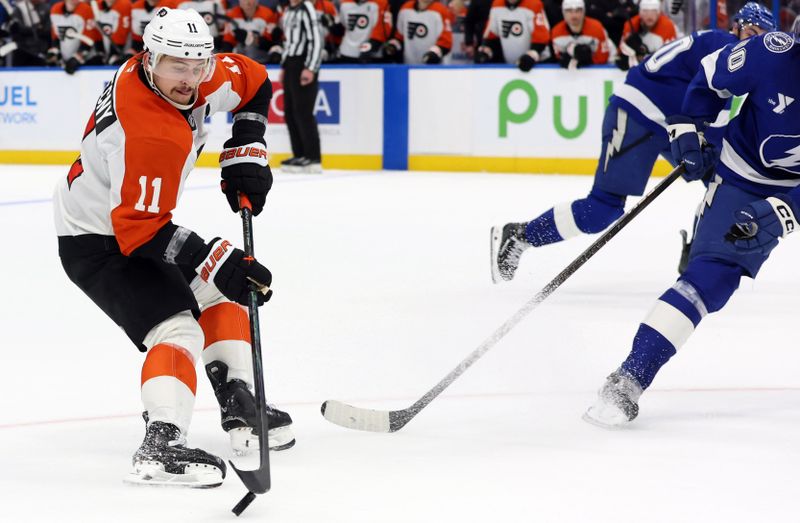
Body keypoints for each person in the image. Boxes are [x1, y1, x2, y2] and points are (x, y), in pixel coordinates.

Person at [54, 7, 294, 487]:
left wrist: (247, 142)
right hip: (97, 241)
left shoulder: (192, 75)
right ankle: (160, 444)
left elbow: (255, 80)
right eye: (175, 66)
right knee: (178, 330)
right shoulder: (148, 131)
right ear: (149, 59)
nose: (188, 79)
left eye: (197, 65)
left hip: (132, 222)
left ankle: (240, 405)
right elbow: (139, 231)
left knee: (221, 297)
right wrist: (215, 257)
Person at [584, 23, 800, 428]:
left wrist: (789, 211)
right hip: (741, 175)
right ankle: (630, 376)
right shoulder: (771, 53)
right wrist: (687, 124)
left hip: (793, 188)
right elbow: (711, 75)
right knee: (712, 277)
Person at [490, 2, 775, 284]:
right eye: (751, 33)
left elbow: (716, 111)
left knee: (722, 182)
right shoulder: (721, 45)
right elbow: (709, 103)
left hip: (673, 123)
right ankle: (520, 235)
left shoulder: (730, 53)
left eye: (761, 38)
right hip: (639, 112)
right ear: (735, 28)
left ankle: (698, 256)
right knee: (603, 209)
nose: (754, 42)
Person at [278, 0, 324, 173]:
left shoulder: (307, 8)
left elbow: (317, 39)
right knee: (290, 111)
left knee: (303, 111)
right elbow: (288, 41)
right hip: (291, 64)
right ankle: (299, 154)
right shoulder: (289, 10)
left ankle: (313, 157)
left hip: (303, 63)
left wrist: (311, 68)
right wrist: (284, 66)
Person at [474, 0, 551, 71]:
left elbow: (542, 37)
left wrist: (532, 54)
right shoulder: (496, 4)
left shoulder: (534, 4)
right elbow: (492, 34)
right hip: (510, 65)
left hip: (538, 65)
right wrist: (486, 51)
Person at [383, 0, 454, 64]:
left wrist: (434, 53)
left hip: (434, 68)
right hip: (408, 65)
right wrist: (393, 46)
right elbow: (400, 36)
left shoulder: (441, 11)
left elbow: (446, 42)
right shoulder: (405, 8)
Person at [550, 0, 615, 69]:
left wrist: (584, 59)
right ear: (563, 12)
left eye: (578, 10)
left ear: (584, 12)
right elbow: (560, 58)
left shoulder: (596, 28)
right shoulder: (556, 32)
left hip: (596, 70)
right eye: (569, 11)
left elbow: (603, 58)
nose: (574, 15)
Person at [615, 0, 678, 71]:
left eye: (653, 11)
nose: (649, 15)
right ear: (640, 13)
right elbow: (620, 54)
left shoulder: (667, 26)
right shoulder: (631, 24)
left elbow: (671, 56)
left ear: (658, 13)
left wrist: (644, 54)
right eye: (645, 11)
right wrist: (628, 48)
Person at [49, 0, 103, 74]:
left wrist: (77, 57)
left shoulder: (87, 10)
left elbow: (89, 40)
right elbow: (56, 36)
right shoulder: (55, 9)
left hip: (87, 61)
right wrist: (54, 53)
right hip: (65, 60)